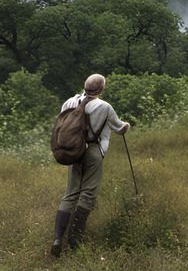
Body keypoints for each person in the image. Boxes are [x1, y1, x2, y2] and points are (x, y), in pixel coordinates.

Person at [50, 73, 130, 257]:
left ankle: (57, 239)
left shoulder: (69, 102)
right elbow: (120, 128)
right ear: (101, 89)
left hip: (73, 152)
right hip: (93, 152)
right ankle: (74, 240)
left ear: (85, 86)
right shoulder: (104, 106)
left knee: (70, 194)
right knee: (88, 194)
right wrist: (127, 125)